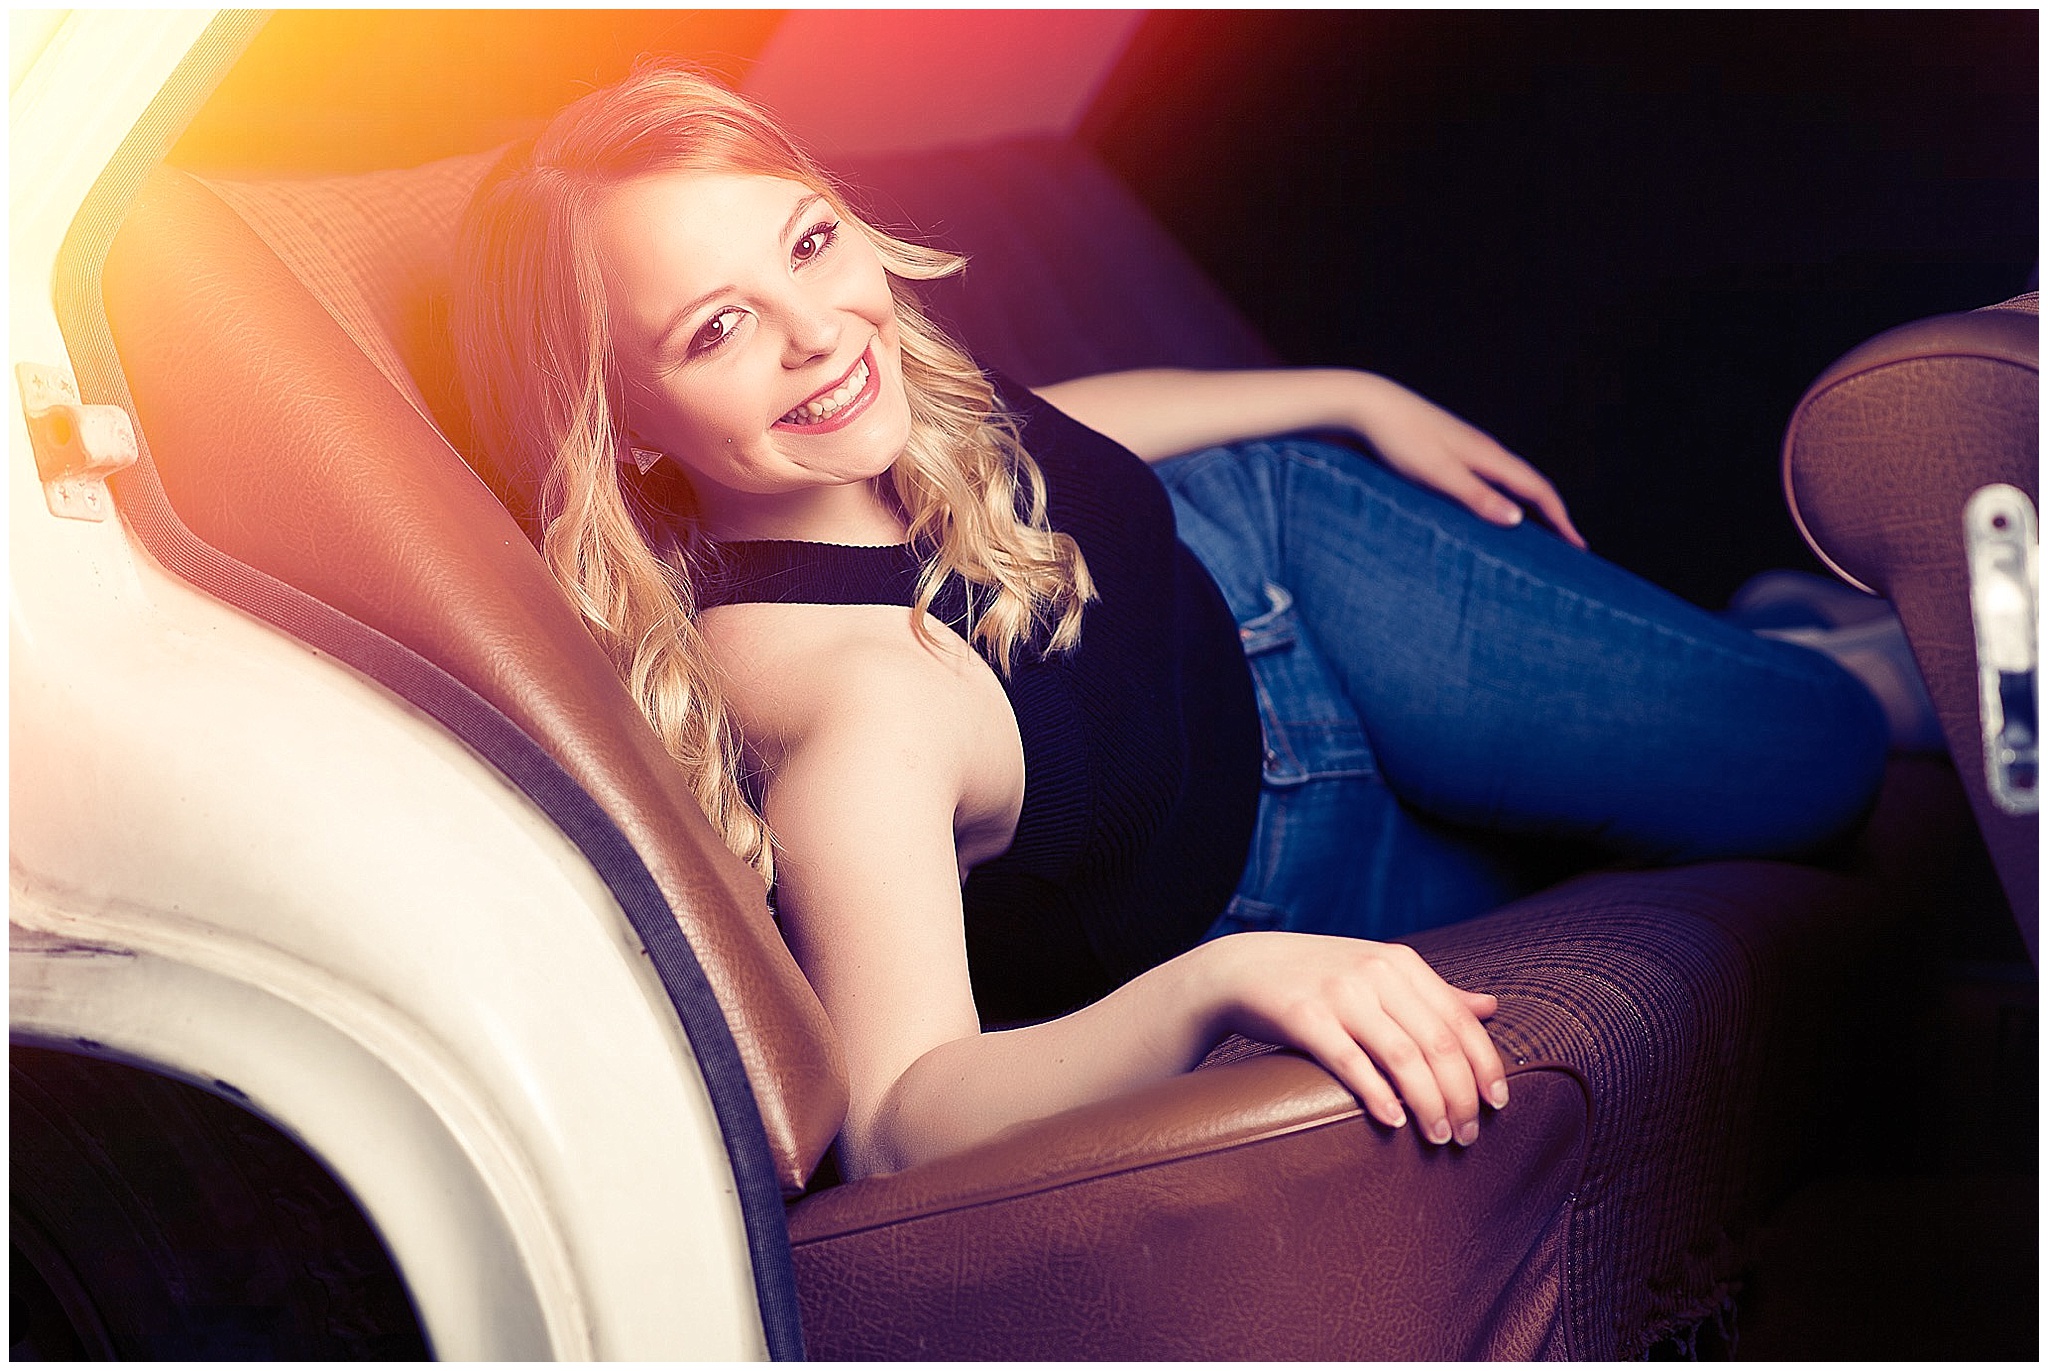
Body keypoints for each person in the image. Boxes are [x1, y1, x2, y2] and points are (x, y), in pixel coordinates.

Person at [452, 65, 1895, 1180]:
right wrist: (1221, 986)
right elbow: (896, 1119)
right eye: (716, 328)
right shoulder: (847, 703)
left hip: (1283, 550)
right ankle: (1785, 637)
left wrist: (1342, 396)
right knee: (1822, 787)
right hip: (1289, 841)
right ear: (618, 419)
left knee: (1823, 746)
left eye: (812, 242)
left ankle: (1804, 647)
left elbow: (1045, 429)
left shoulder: (854, 399)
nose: (821, 330)